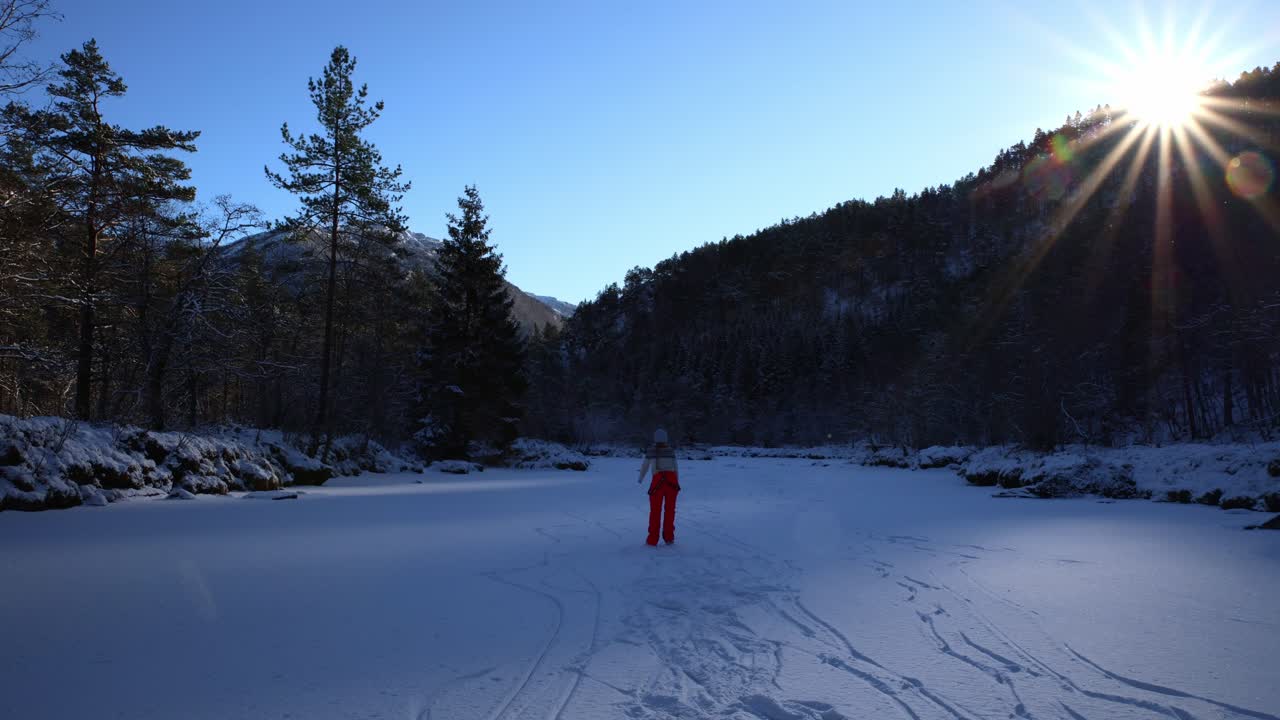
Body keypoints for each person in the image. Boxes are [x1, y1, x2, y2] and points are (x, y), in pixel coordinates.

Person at [637, 428, 680, 546]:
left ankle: (652, 539)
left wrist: (640, 478)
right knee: (670, 511)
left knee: (655, 511)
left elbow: (645, 466)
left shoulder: (651, 451)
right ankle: (669, 537)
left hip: (657, 484)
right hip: (672, 483)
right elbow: (676, 468)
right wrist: (677, 482)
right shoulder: (671, 451)